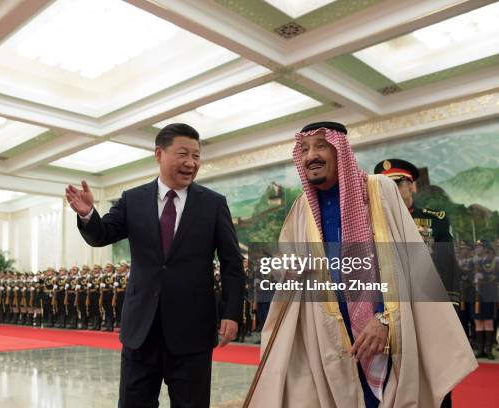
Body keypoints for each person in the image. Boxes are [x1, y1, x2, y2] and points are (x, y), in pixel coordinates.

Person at [245, 122, 476, 408]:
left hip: (384, 333)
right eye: (304, 149)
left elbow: (411, 264)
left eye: (320, 146)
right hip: (330, 338)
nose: (310, 156)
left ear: (340, 149)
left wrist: (383, 318)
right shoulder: (302, 207)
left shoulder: (379, 191)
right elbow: (287, 261)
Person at [66, 123, 245, 407]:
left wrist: (232, 313)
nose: (191, 163)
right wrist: (89, 214)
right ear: (159, 154)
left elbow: (232, 263)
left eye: (196, 156)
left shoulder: (213, 204)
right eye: (183, 154)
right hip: (141, 329)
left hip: (193, 330)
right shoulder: (132, 199)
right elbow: (103, 235)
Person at [374, 158, 463, 407]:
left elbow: (448, 269)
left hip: (429, 313)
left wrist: (449, 311)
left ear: (411, 186)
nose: (390, 190)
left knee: (436, 381)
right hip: (389, 317)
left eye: (397, 183)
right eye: (384, 185)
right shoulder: (373, 225)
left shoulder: (435, 220)